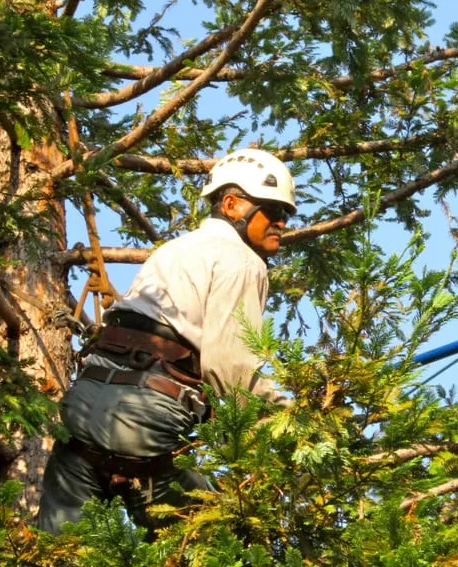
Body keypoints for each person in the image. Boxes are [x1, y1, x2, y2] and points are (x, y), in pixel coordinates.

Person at [38, 148, 295, 535]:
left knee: (59, 562)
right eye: (273, 211)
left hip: (83, 410)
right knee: (222, 541)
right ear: (232, 204)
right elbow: (230, 370)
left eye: (286, 215)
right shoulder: (243, 261)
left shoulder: (174, 249)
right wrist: (289, 419)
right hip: (143, 420)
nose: (281, 223)